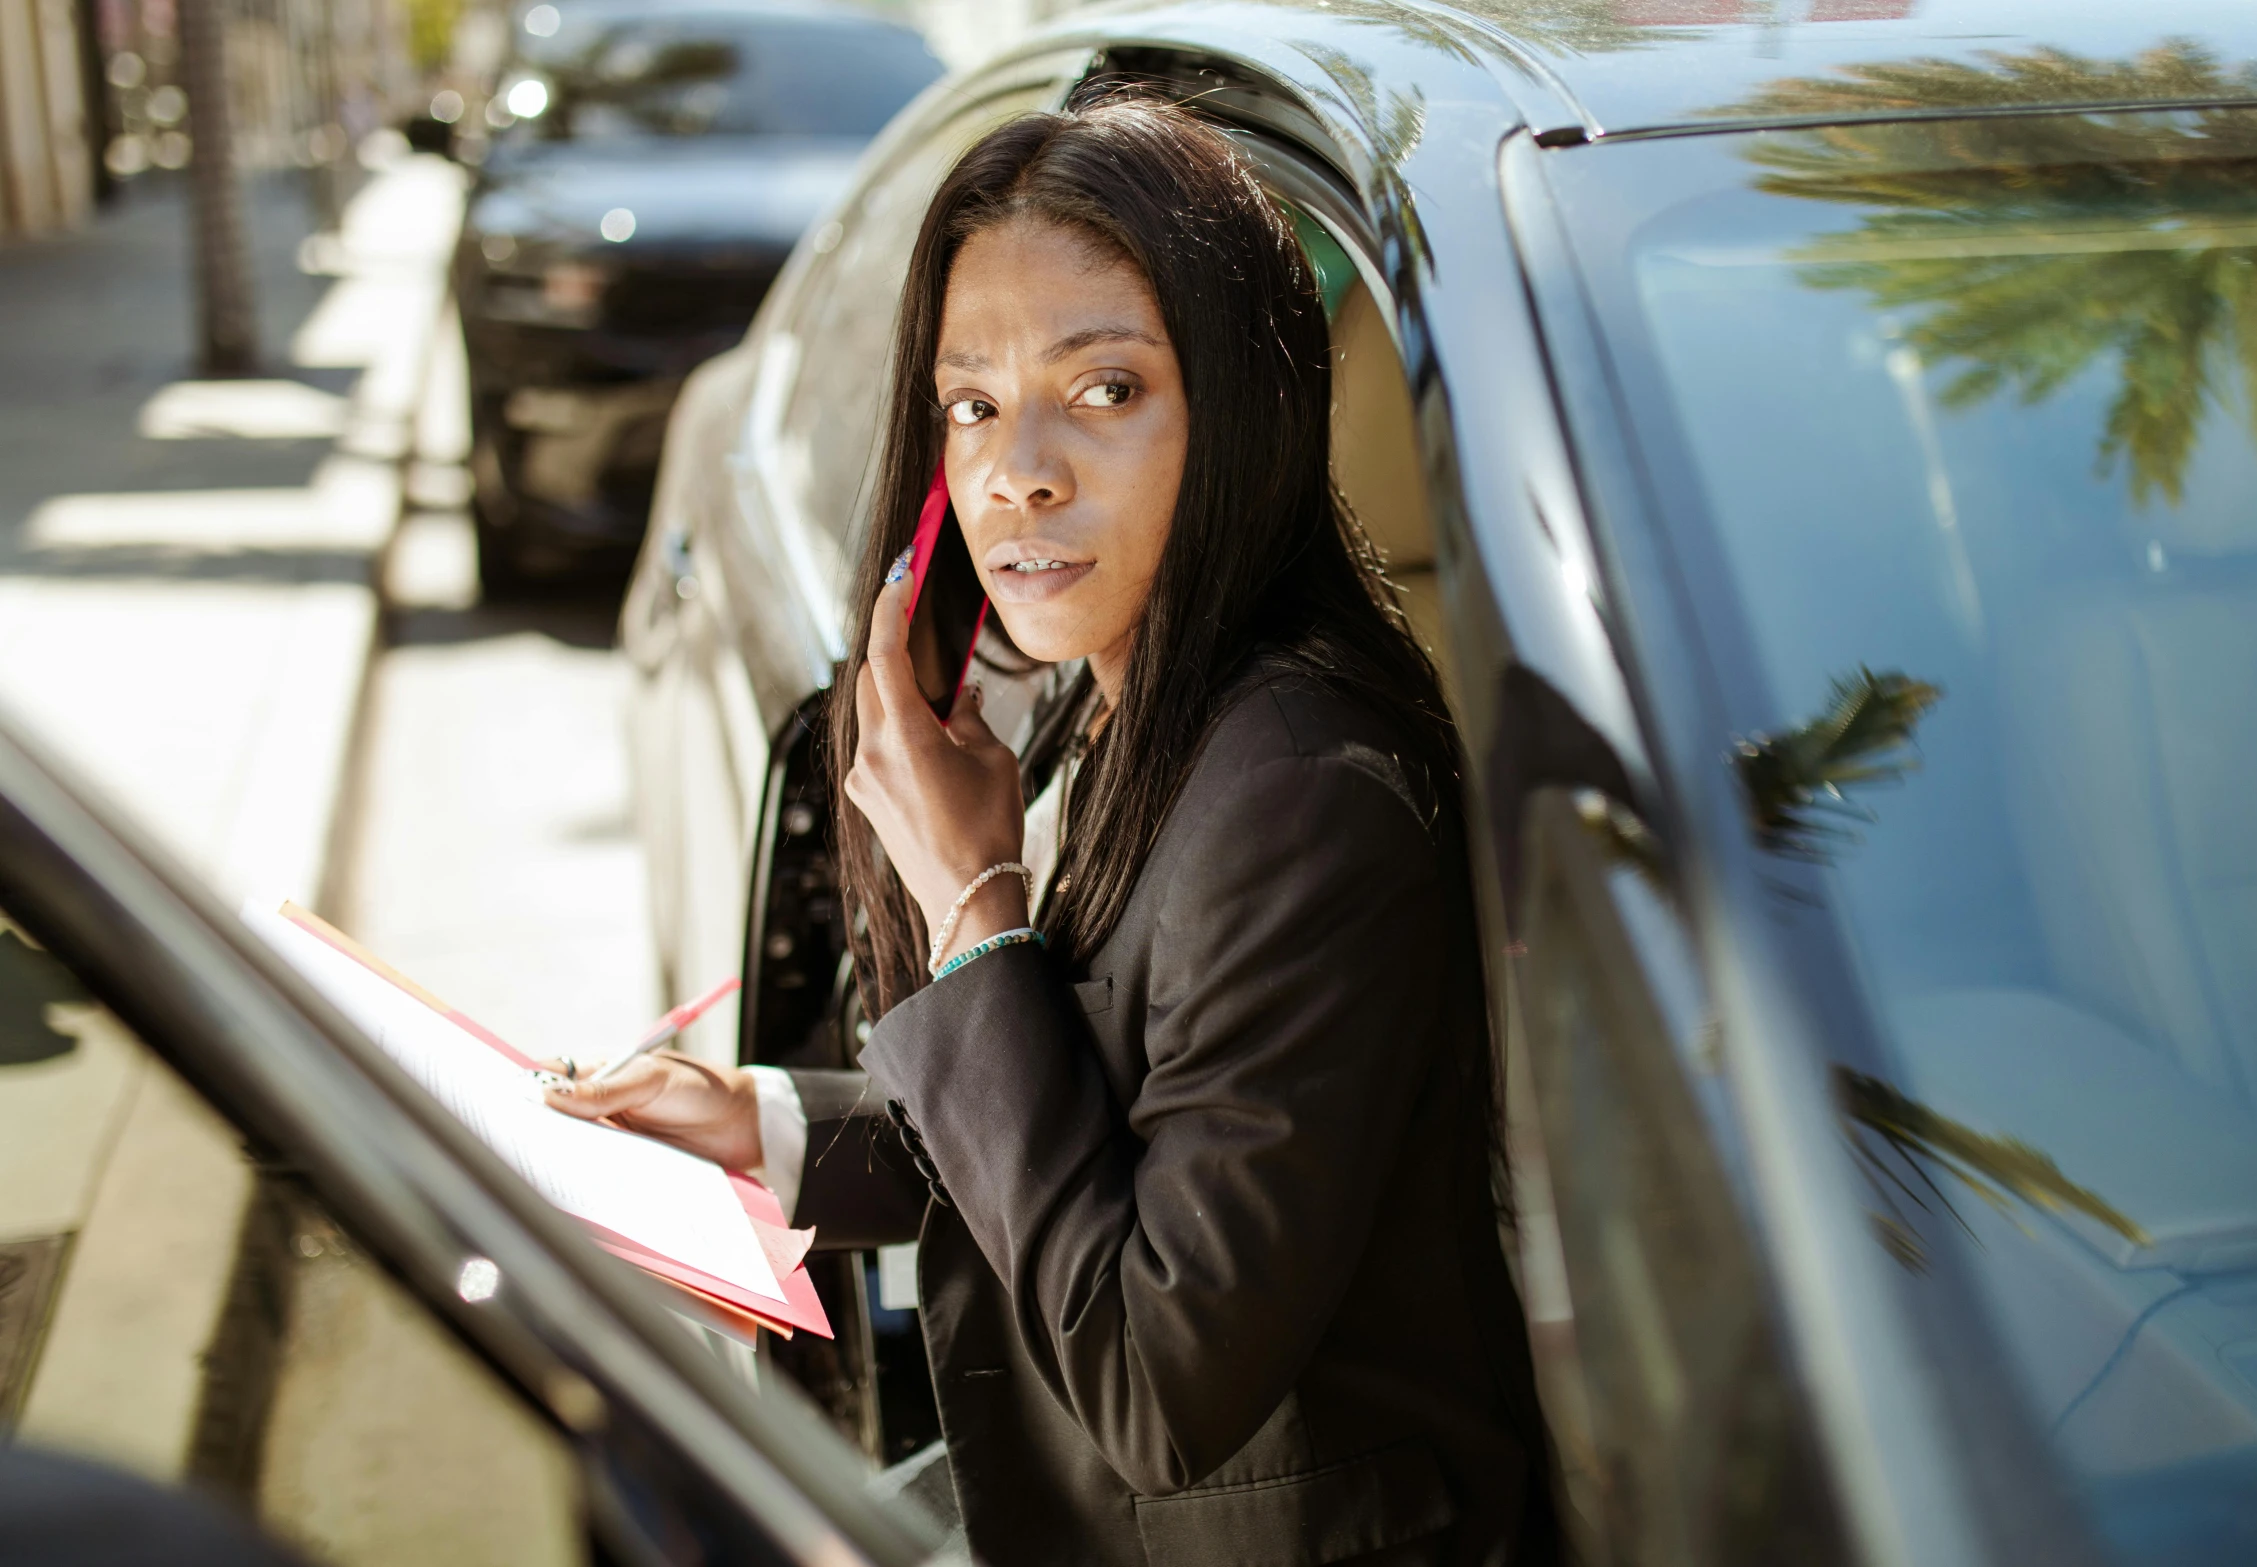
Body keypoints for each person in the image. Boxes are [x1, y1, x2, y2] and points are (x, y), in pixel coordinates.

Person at [547, 89, 1557, 1567]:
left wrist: (971, 896)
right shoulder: (1123, 688)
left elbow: (1158, 1376)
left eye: (1104, 391)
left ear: (1244, 412)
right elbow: (1082, 1123)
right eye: (971, 403)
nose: (1018, 469)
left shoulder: (1304, 793)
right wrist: (758, 1123)